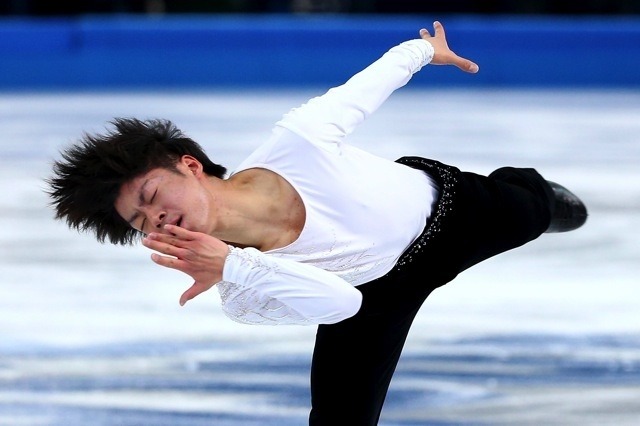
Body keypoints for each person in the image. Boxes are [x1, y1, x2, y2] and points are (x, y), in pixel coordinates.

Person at [46, 21, 587, 425]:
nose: (155, 217)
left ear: (188, 164)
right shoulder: (238, 289)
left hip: (452, 213)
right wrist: (236, 267)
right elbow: (344, 306)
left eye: (150, 194)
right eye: (141, 221)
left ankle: (529, 190)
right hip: (373, 294)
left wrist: (425, 50)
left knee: (536, 209)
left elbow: (365, 88)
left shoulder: (297, 142)